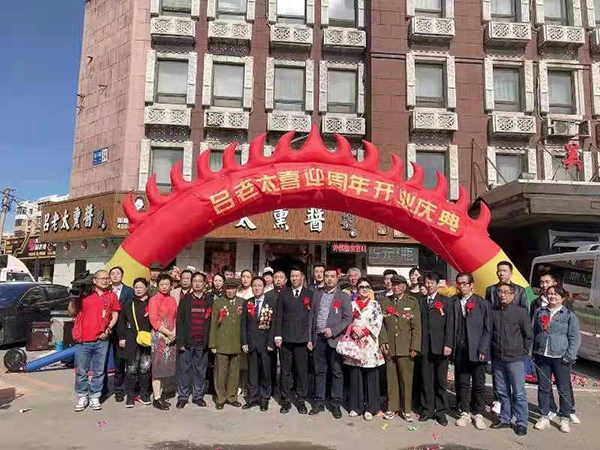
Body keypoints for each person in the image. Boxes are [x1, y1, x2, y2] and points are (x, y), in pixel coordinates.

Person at [69, 270, 120, 412]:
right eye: (101, 278)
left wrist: (108, 329)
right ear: (94, 280)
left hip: (101, 339)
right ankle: (82, 395)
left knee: (99, 371)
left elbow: (115, 314)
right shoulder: (84, 293)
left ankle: (95, 396)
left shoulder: (111, 295)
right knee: (82, 371)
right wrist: (73, 297)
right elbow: (72, 312)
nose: (105, 281)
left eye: (107, 278)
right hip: (83, 339)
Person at [533, 286, 581, 433]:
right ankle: (544, 416)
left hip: (561, 357)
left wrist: (569, 356)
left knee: (563, 389)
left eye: (555, 294)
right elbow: (533, 332)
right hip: (542, 355)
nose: (552, 296)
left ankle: (564, 417)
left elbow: (575, 338)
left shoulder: (569, 315)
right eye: (550, 294)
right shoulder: (540, 312)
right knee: (543, 387)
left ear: (563, 298)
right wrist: (532, 352)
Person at [490, 282, 533, 436]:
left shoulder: (520, 312)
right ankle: (505, 418)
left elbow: (528, 335)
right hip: (498, 357)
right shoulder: (493, 311)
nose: (502, 295)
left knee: (519, 392)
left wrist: (523, 351)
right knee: (502, 391)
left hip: (515, 358)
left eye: (506, 292)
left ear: (513, 295)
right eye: (500, 292)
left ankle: (521, 422)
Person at [309, 267, 352, 419]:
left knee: (336, 372)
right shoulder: (317, 294)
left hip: (335, 340)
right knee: (319, 371)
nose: (329, 279)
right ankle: (319, 402)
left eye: (332, 276)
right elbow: (312, 316)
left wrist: (333, 331)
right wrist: (310, 338)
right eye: (326, 276)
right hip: (318, 338)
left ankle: (336, 404)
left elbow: (347, 318)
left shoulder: (343, 296)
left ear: (337, 278)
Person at [379, 274, 422, 422]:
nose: (395, 287)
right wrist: (383, 341)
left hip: (405, 346)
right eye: (393, 284)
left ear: (405, 286)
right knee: (391, 379)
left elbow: (416, 327)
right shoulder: (385, 302)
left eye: (398, 284)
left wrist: (415, 346)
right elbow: (381, 324)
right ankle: (392, 407)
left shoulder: (412, 302)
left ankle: (406, 409)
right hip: (390, 346)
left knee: (406, 380)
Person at [452, 272, 492, 430]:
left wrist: (483, 347)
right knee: (462, 382)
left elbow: (488, 328)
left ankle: (479, 413)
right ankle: (464, 412)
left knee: (478, 383)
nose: (461, 286)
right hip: (460, 349)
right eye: (459, 283)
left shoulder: (482, 303)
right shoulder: (454, 301)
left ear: (471, 285)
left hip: (477, 350)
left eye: (464, 283)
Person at [344, 277, 385, 421]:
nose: (364, 289)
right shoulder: (352, 304)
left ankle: (371, 408)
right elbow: (347, 320)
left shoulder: (375, 305)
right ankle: (356, 407)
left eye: (367, 286)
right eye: (361, 287)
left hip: (369, 343)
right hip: (355, 343)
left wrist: (365, 331)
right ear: (357, 289)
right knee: (356, 375)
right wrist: (353, 329)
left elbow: (378, 322)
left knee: (371, 375)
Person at [274, 267, 314, 414]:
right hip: (286, 339)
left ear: (302, 277)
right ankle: (285, 400)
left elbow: (311, 318)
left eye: (297, 276)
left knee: (301, 372)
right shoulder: (284, 293)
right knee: (285, 372)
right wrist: (278, 335)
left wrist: (310, 338)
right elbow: (278, 315)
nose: (294, 278)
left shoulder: (309, 294)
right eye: (292, 276)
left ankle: (301, 400)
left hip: (302, 340)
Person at [417, 272, 454, 426]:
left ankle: (441, 412)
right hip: (425, 346)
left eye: (432, 282)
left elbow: (450, 324)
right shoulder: (421, 301)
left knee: (440, 381)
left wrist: (448, 344)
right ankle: (427, 409)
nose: (429, 285)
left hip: (441, 346)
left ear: (437, 284)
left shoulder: (446, 301)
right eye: (427, 282)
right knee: (426, 380)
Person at [176, 272, 212, 409]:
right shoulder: (185, 299)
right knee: (184, 370)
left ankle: (198, 396)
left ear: (204, 284)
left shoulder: (209, 300)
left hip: (202, 342)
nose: (197, 283)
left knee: (200, 371)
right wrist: (180, 342)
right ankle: (183, 396)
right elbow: (179, 321)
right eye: (195, 281)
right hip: (187, 342)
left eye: (200, 281)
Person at [241, 276, 277, 411]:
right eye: (254, 286)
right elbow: (243, 324)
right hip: (251, 343)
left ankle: (264, 398)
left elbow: (274, 325)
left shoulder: (272, 302)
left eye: (259, 286)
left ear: (264, 287)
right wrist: (244, 342)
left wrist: (271, 342)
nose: (256, 288)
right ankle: (253, 398)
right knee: (252, 373)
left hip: (266, 344)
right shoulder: (248, 302)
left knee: (266, 372)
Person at [116, 277, 153, 408]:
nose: (138, 290)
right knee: (131, 368)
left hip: (148, 339)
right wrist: (122, 337)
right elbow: (121, 321)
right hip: (132, 339)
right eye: (136, 287)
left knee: (145, 368)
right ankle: (130, 395)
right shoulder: (129, 303)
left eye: (141, 287)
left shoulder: (152, 302)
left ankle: (144, 394)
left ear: (146, 288)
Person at [210, 278, 245, 409]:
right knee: (220, 373)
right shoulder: (218, 302)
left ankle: (232, 397)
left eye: (233, 288)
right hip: (221, 343)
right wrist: (212, 344)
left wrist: (244, 342)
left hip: (236, 343)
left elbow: (245, 325)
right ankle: (220, 398)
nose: (230, 291)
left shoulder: (242, 302)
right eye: (228, 288)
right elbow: (213, 324)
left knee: (234, 373)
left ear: (237, 289)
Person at [148, 273, 178, 410]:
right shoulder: (154, 299)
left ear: (171, 285)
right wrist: (168, 333)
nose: (164, 287)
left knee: (166, 367)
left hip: (171, 336)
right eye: (162, 284)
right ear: (158, 285)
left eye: (167, 284)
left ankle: (162, 395)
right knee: (158, 368)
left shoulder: (172, 299)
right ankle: (156, 397)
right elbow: (154, 320)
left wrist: (174, 332)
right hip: (159, 336)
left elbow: (175, 317)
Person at [105, 266, 134, 403]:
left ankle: (119, 390)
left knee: (119, 361)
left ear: (122, 276)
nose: (115, 276)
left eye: (118, 273)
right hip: (105, 329)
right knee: (103, 360)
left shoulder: (129, 291)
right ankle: (103, 389)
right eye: (113, 274)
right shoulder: (105, 290)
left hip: (122, 330)